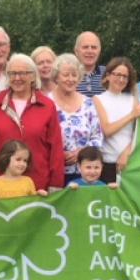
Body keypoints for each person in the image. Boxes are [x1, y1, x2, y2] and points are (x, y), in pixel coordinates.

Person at [0, 53, 65, 192]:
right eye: (12, 73)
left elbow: (56, 148)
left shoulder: (47, 106)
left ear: (32, 76)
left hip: (38, 185)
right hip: (2, 186)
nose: (17, 78)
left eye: (22, 73)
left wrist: (55, 183)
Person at [47, 53, 103, 184]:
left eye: (74, 75)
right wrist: (59, 154)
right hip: (54, 171)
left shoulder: (88, 103)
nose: (70, 79)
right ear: (56, 77)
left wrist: (81, 152)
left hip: (86, 174)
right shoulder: (46, 102)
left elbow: (97, 137)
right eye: (65, 75)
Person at [93, 57, 140, 184]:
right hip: (107, 163)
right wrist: (132, 115)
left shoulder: (133, 100)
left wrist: (126, 153)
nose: (121, 79)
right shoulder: (98, 99)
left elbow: (138, 132)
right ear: (108, 75)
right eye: (117, 75)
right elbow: (107, 130)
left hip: (130, 162)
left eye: (125, 76)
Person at [75, 31, 105, 97]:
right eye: (85, 47)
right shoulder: (68, 75)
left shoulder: (108, 74)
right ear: (76, 51)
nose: (90, 51)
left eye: (94, 47)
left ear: (99, 51)